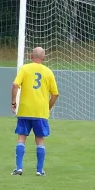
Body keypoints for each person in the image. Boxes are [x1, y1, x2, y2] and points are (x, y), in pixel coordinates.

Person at [11, 47, 59, 176]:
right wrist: (47, 107)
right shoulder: (48, 72)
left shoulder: (25, 69)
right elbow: (55, 94)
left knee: (21, 138)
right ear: (44, 57)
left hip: (25, 110)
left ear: (31, 55)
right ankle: (39, 170)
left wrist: (13, 102)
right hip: (40, 113)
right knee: (40, 140)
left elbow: (15, 85)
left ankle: (19, 168)